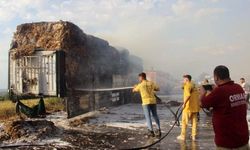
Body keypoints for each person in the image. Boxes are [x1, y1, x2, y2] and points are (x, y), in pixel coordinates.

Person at [200, 65, 249, 149]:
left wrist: (202, 93)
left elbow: (203, 103)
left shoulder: (220, 91)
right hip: (242, 139)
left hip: (227, 143)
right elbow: (227, 104)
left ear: (216, 77)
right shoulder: (238, 87)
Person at [133, 72, 161, 137]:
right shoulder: (151, 83)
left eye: (139, 78)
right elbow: (158, 88)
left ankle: (151, 131)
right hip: (153, 101)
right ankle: (159, 130)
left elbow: (134, 90)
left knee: (148, 117)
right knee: (155, 115)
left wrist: (135, 87)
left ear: (141, 77)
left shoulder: (140, 85)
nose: (139, 79)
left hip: (145, 102)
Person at [177, 75, 200, 141]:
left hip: (188, 107)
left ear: (187, 80)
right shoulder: (194, 85)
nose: (183, 81)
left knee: (184, 122)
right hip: (195, 107)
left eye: (183, 80)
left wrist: (184, 103)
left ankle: (182, 136)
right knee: (194, 122)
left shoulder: (187, 85)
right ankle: (193, 136)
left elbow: (188, 95)